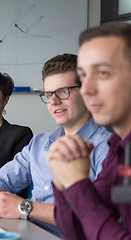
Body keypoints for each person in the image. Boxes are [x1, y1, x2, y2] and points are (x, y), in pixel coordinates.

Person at [0, 54, 111, 230]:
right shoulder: (39, 144)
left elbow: (100, 218)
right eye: (48, 94)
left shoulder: (109, 148)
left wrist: (24, 208)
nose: (54, 101)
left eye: (64, 91)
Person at [47, 22, 131, 239]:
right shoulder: (119, 148)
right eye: (83, 76)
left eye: (102, 73)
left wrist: (76, 183)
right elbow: (78, 230)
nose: (86, 90)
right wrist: (62, 182)